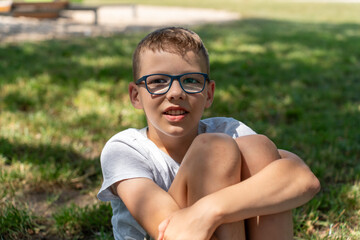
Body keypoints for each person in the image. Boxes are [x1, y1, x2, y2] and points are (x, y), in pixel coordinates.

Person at [97, 26, 320, 240]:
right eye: (158, 82)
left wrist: (210, 210)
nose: (176, 93)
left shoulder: (229, 130)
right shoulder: (124, 149)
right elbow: (175, 233)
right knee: (214, 149)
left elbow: (304, 179)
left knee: (257, 147)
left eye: (191, 81)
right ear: (136, 95)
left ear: (209, 93)